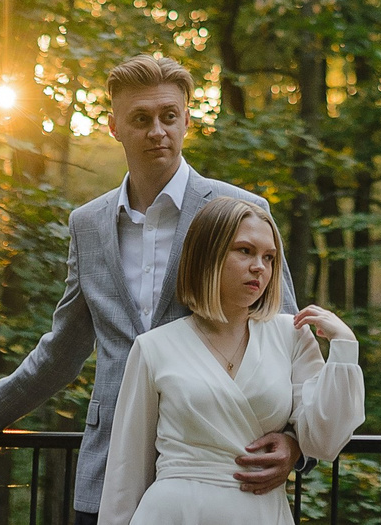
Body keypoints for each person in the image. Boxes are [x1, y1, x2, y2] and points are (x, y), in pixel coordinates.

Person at [0, 54, 305, 525]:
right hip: (108, 471)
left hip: (218, 473)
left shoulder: (240, 209)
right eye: (140, 119)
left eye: (169, 116)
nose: (157, 131)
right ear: (114, 127)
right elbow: (62, 348)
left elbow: (287, 337)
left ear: (187, 119)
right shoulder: (88, 224)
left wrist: (293, 441)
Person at [97, 199, 360, 525]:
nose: (259, 267)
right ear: (207, 255)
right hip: (173, 514)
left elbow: (325, 440)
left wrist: (345, 349)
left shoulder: (291, 336)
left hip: (260, 513)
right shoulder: (154, 348)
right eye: (245, 251)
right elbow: (127, 470)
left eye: (268, 257)